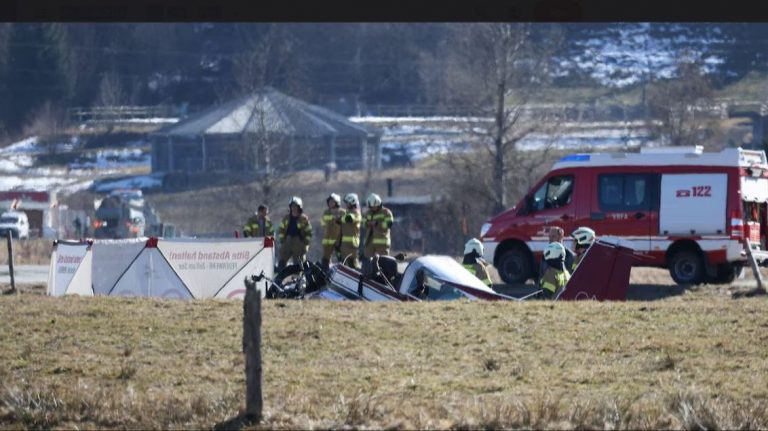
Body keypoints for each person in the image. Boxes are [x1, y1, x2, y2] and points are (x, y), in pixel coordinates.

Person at [277, 196, 313, 271]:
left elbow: (309, 232)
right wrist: (282, 240)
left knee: (299, 263)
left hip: (299, 243)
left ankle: (298, 278)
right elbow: (280, 230)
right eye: (292, 206)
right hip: (287, 241)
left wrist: (305, 243)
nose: (294, 208)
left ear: (299, 207)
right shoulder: (286, 218)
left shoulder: (303, 219)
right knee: (282, 261)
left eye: (295, 206)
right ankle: (279, 278)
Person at [363, 193, 394, 260]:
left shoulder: (386, 212)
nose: (372, 208)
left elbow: (389, 224)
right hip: (369, 241)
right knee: (367, 260)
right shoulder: (368, 212)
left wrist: (377, 223)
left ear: (378, 204)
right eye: (371, 207)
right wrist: (368, 223)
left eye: (374, 207)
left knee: (383, 261)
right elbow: (363, 222)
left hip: (382, 242)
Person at [320, 193, 346, 270]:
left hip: (339, 239)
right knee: (325, 258)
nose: (331, 203)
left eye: (333, 201)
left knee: (341, 258)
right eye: (329, 201)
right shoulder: (326, 212)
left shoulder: (342, 212)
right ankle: (325, 272)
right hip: (327, 239)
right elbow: (322, 223)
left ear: (337, 202)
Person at [338, 193, 362, 269]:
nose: (346, 205)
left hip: (352, 243)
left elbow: (350, 218)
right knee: (344, 264)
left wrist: (341, 218)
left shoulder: (356, 212)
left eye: (347, 203)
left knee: (354, 265)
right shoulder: (347, 213)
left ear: (352, 202)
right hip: (344, 244)